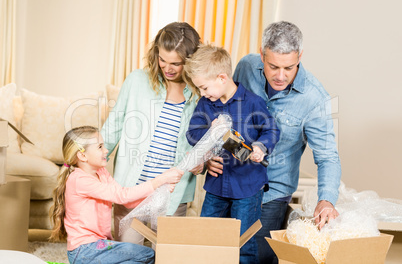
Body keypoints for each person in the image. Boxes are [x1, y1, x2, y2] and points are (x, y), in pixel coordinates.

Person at [203, 21, 341, 263]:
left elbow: (327, 156)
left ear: (300, 56)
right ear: (262, 54)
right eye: (273, 66)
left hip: (270, 193)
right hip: (230, 179)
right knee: (214, 252)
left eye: (289, 67)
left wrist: (326, 200)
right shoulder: (246, 66)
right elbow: (224, 110)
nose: (280, 76)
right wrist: (207, 156)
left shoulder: (315, 99)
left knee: (253, 258)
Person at [100, 22, 202, 244]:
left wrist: (202, 162)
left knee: (167, 257)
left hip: (173, 197)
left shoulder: (199, 93)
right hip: (131, 191)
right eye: (162, 60)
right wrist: (89, 166)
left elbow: (202, 144)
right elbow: (113, 126)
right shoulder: (137, 80)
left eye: (176, 63)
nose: (168, 68)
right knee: (127, 256)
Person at [184, 44, 280, 264]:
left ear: (222, 78)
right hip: (216, 187)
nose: (202, 94)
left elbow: (272, 130)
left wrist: (260, 147)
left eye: (204, 88)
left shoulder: (254, 102)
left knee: (244, 244)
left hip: (248, 188)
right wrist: (211, 133)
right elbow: (192, 133)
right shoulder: (205, 104)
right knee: (206, 237)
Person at [49, 126, 183, 264]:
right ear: (82, 155)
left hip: (99, 247)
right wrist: (160, 180)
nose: (106, 150)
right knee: (147, 254)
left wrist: (159, 190)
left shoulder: (101, 172)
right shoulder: (79, 180)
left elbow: (127, 202)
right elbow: (122, 195)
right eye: (100, 147)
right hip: (85, 250)